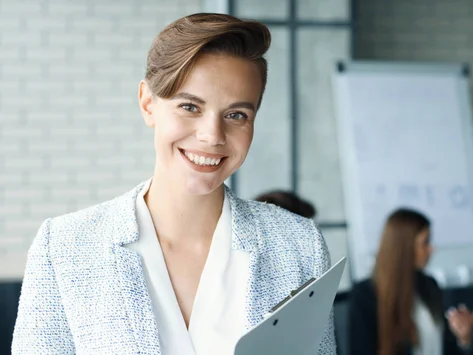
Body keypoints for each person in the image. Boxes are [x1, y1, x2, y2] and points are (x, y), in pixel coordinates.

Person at [12, 13, 335, 355]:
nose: (212, 136)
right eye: (190, 107)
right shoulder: (66, 247)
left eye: (236, 115)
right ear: (148, 103)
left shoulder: (299, 245)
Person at [348, 208, 473, 355]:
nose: (432, 249)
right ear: (404, 247)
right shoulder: (365, 295)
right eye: (425, 242)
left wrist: (464, 338)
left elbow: (448, 348)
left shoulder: (429, 285)